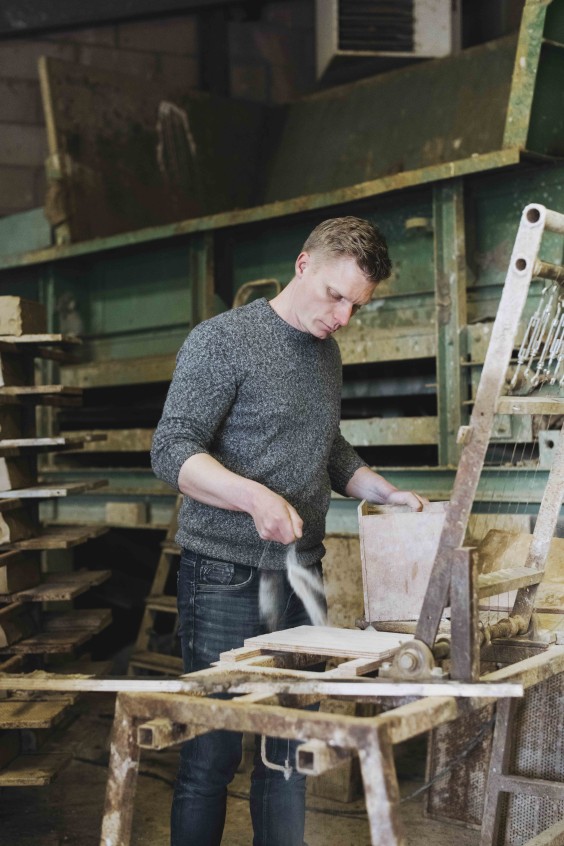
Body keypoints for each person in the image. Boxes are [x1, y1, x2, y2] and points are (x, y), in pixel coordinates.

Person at [151, 216, 428, 846]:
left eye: (357, 306)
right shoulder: (223, 341)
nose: (343, 318)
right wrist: (254, 499)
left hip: (302, 576)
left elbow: (325, 445)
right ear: (304, 265)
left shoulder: (325, 351)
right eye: (336, 296)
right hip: (224, 573)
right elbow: (172, 450)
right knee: (212, 753)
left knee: (288, 751)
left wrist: (380, 491)